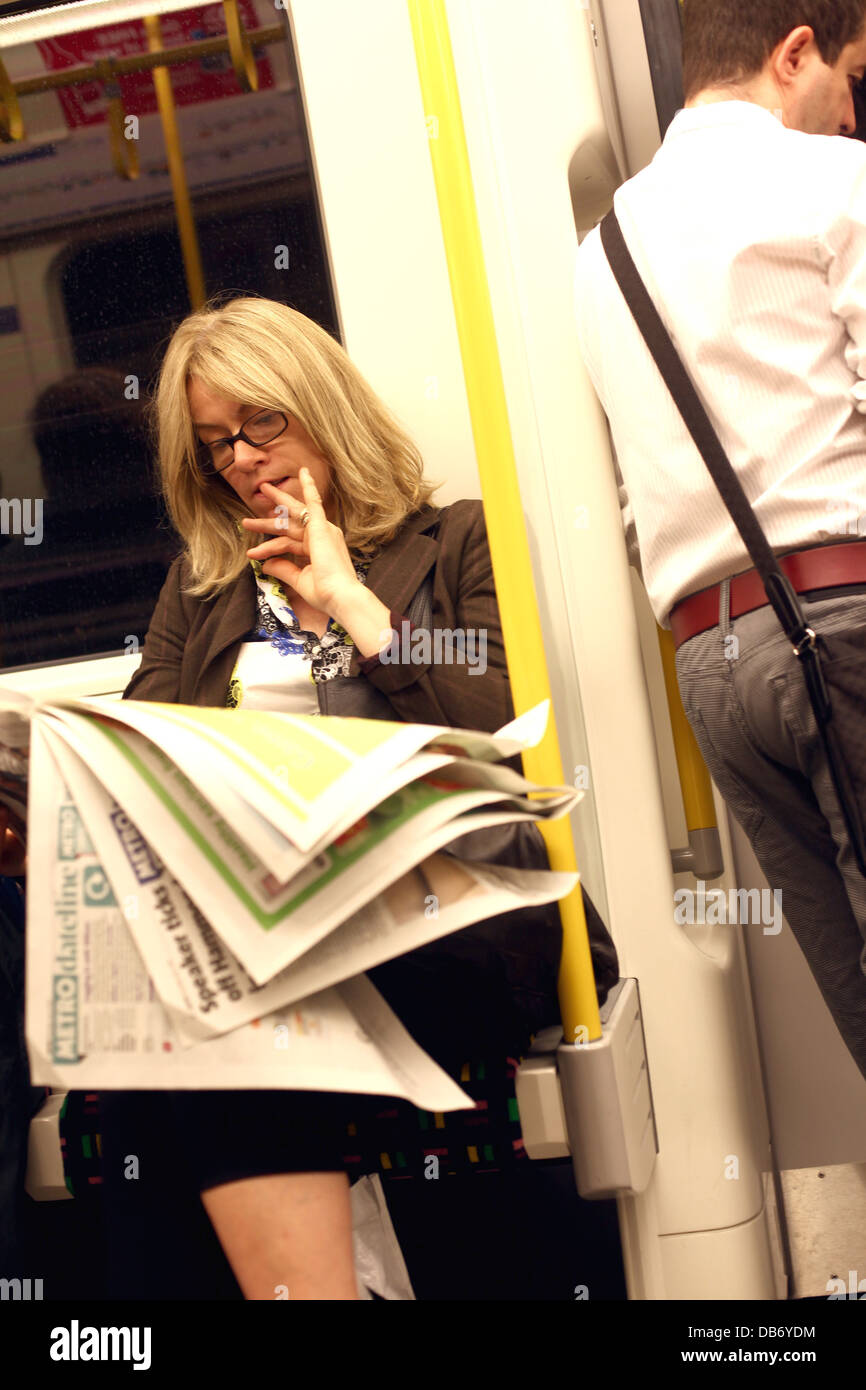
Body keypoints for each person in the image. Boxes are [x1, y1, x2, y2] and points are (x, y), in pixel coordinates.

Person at [76, 294, 616, 1300]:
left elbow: (496, 724)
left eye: (259, 423)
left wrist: (350, 602)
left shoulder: (453, 543)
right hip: (273, 932)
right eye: (215, 444)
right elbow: (140, 766)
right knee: (159, 1048)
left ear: (315, 403)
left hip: (438, 921)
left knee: (225, 1040)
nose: (241, 458)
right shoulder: (197, 592)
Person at [574, 0, 866, 1080]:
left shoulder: (598, 251)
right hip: (841, 621)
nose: (847, 112)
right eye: (846, 79)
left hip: (712, 664)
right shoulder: (834, 183)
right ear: (792, 52)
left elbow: (626, 487)